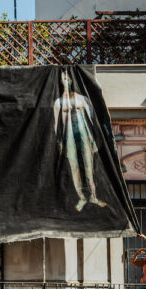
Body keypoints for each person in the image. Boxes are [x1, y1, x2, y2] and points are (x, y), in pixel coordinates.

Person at [53, 70, 107, 211]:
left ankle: (93, 196)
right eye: (63, 78)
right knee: (74, 168)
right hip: (69, 137)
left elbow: (92, 119)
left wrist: (96, 137)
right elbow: (56, 124)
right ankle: (82, 197)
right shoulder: (58, 102)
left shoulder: (82, 99)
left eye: (67, 78)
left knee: (89, 167)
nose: (65, 80)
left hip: (84, 134)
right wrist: (59, 142)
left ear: (72, 80)